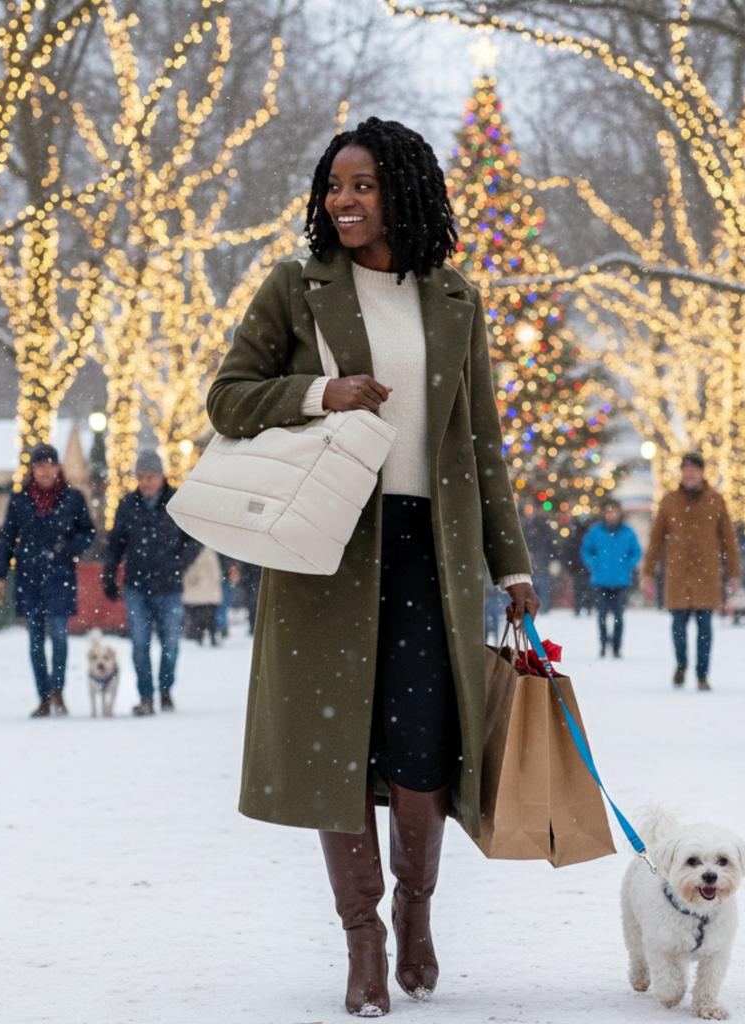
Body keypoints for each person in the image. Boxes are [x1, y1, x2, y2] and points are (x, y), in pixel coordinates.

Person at [206, 117, 540, 1018]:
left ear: (404, 191)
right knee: (335, 749)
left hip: (432, 551)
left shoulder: (455, 298)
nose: (342, 202)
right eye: (333, 186)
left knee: (425, 747)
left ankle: (417, 911)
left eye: (362, 185)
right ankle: (363, 940)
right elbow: (228, 398)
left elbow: (481, 446)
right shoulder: (296, 286)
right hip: (326, 551)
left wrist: (511, 565)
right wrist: (322, 391)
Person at [0, 443, 96, 717]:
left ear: (57, 467)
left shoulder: (72, 498)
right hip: (30, 578)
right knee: (35, 641)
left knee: (59, 637)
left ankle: (58, 691)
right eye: (39, 465)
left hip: (60, 576)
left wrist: (70, 548)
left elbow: (88, 532)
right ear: (32, 469)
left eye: (49, 464)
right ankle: (44, 696)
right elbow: (6, 539)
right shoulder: (20, 499)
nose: (45, 470)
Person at [101, 450, 201, 715]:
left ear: (161, 476)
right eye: (141, 477)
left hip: (169, 586)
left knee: (170, 644)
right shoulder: (128, 504)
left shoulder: (177, 501)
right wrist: (109, 574)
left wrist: (180, 562)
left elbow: (195, 537)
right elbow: (115, 545)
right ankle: (146, 695)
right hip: (137, 586)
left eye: (150, 477)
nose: (145, 482)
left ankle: (165, 690)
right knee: (139, 644)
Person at [642, 452, 741, 691]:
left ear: (701, 472)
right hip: (677, 574)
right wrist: (648, 572)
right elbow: (656, 540)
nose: (689, 473)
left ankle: (702, 674)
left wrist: (734, 572)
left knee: (705, 628)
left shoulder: (715, 501)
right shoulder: (669, 501)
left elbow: (728, 540)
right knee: (678, 626)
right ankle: (681, 664)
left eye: (693, 469)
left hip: (706, 574)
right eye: (685, 469)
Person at [581, 498, 643, 657]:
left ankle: (616, 647)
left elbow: (636, 552)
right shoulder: (596, 531)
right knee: (601, 615)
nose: (611, 514)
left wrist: (627, 565)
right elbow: (586, 550)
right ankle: (603, 644)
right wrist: (594, 564)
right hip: (600, 580)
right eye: (608, 511)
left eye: (614, 511)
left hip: (621, 581)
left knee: (618, 617)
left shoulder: (628, 532)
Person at [182, 544, 223, 645]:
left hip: (197, 588)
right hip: (210, 589)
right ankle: (211, 636)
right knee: (210, 616)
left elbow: (190, 569)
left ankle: (198, 635)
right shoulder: (211, 549)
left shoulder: (193, 549)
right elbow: (216, 572)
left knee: (198, 615)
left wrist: (190, 579)